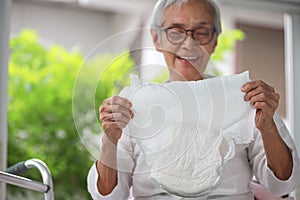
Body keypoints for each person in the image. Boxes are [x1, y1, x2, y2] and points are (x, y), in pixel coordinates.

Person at [87, 0, 300, 199]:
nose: (189, 43)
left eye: (202, 32)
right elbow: (108, 196)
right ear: (156, 39)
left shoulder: (245, 99)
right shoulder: (133, 105)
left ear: (215, 40)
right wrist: (110, 140)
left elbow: (283, 185)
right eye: (176, 31)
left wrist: (268, 127)